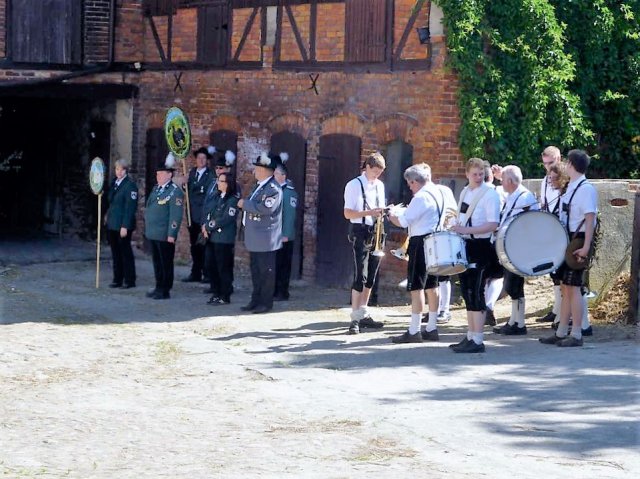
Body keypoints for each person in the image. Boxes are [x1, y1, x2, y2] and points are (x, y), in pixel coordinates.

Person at [540, 149, 598, 347]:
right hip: (568, 239)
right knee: (566, 288)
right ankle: (562, 330)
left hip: (578, 241)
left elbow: (590, 220)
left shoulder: (586, 189)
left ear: (571, 164)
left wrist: (586, 248)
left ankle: (577, 334)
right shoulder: (572, 186)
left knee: (574, 289)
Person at [449, 158, 501, 353]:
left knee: (477, 290)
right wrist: (456, 226)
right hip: (466, 244)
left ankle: (478, 339)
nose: (478, 178)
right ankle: (470, 335)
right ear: (467, 174)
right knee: (467, 289)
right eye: (474, 174)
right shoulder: (465, 192)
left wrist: (465, 228)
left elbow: (493, 224)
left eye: (481, 174)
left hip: (480, 245)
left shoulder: (490, 194)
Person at [388, 163, 441, 343]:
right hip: (434, 240)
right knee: (433, 286)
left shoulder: (420, 197)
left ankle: (414, 330)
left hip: (420, 242)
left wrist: (391, 215)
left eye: (410, 184)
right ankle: (432, 327)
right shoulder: (437, 192)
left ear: (414, 181)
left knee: (416, 286)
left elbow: (403, 221)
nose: (410, 187)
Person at [491, 165, 539, 335]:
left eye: (503, 180)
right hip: (510, 246)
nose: (502, 182)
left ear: (510, 181)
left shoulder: (524, 198)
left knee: (514, 285)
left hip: (518, 247)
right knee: (512, 286)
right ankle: (514, 321)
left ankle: (519, 323)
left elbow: (529, 223)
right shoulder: (514, 194)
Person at [343, 152, 387, 335]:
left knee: (371, 276)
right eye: (375, 171)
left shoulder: (380, 185)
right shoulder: (354, 185)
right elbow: (347, 213)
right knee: (360, 274)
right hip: (360, 231)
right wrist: (369, 213)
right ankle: (354, 317)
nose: (377, 175)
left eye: (380, 172)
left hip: (376, 230)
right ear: (367, 167)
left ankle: (363, 312)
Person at [237, 152, 283, 314]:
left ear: (265, 170)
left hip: (266, 238)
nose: (254, 171)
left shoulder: (273, 189)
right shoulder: (259, 186)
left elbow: (266, 208)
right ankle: (255, 300)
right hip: (255, 237)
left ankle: (265, 302)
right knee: (256, 271)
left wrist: (245, 204)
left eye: (257, 168)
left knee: (266, 272)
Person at [144, 154, 184, 300]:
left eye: (161, 173)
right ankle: (158, 286)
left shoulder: (174, 191)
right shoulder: (157, 189)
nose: (158, 176)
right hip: (154, 233)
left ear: (169, 175)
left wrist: (172, 233)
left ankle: (165, 289)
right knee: (157, 262)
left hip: (164, 234)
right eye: (157, 173)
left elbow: (176, 215)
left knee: (165, 262)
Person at [201, 149, 237, 294]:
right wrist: (205, 225)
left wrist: (209, 226)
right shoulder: (213, 185)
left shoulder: (232, 190)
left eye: (221, 168)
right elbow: (209, 207)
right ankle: (215, 290)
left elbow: (226, 215)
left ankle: (225, 291)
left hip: (221, 233)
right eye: (216, 168)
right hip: (210, 232)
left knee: (223, 265)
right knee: (211, 264)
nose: (218, 170)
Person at [536, 146, 564, 324]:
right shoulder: (545, 180)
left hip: (561, 227)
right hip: (549, 226)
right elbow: (543, 202)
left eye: (551, 163)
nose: (548, 167)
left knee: (562, 272)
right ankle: (556, 309)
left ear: (559, 159)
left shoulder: (565, 179)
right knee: (553, 271)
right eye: (545, 163)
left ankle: (563, 311)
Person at [182, 147, 214, 283]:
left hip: (203, 216)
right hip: (192, 214)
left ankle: (207, 273)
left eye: (203, 158)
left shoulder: (210, 175)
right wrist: (185, 185)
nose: (201, 160)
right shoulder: (192, 173)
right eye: (199, 158)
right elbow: (189, 191)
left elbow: (207, 193)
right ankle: (195, 273)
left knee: (204, 246)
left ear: (207, 161)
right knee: (194, 245)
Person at [105, 158, 138, 289]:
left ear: (126, 171)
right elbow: (111, 202)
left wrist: (125, 226)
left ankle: (129, 279)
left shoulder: (130, 185)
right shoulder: (114, 183)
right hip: (113, 223)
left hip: (123, 225)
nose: (119, 172)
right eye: (117, 169)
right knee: (115, 252)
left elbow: (130, 208)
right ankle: (117, 278)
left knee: (125, 252)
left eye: (121, 169)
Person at [483, 161, 507, 326]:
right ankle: (489, 304)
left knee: (483, 275)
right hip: (497, 235)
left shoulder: (470, 191)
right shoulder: (498, 191)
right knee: (498, 276)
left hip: (480, 236)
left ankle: (484, 307)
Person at [273, 153, 298, 301]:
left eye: (276, 173)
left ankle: (282, 291)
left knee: (283, 265)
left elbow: (289, 216)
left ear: (283, 176)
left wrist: (285, 234)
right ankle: (275, 290)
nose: (274, 176)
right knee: (275, 264)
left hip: (284, 236)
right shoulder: (275, 189)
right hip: (274, 234)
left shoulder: (288, 193)